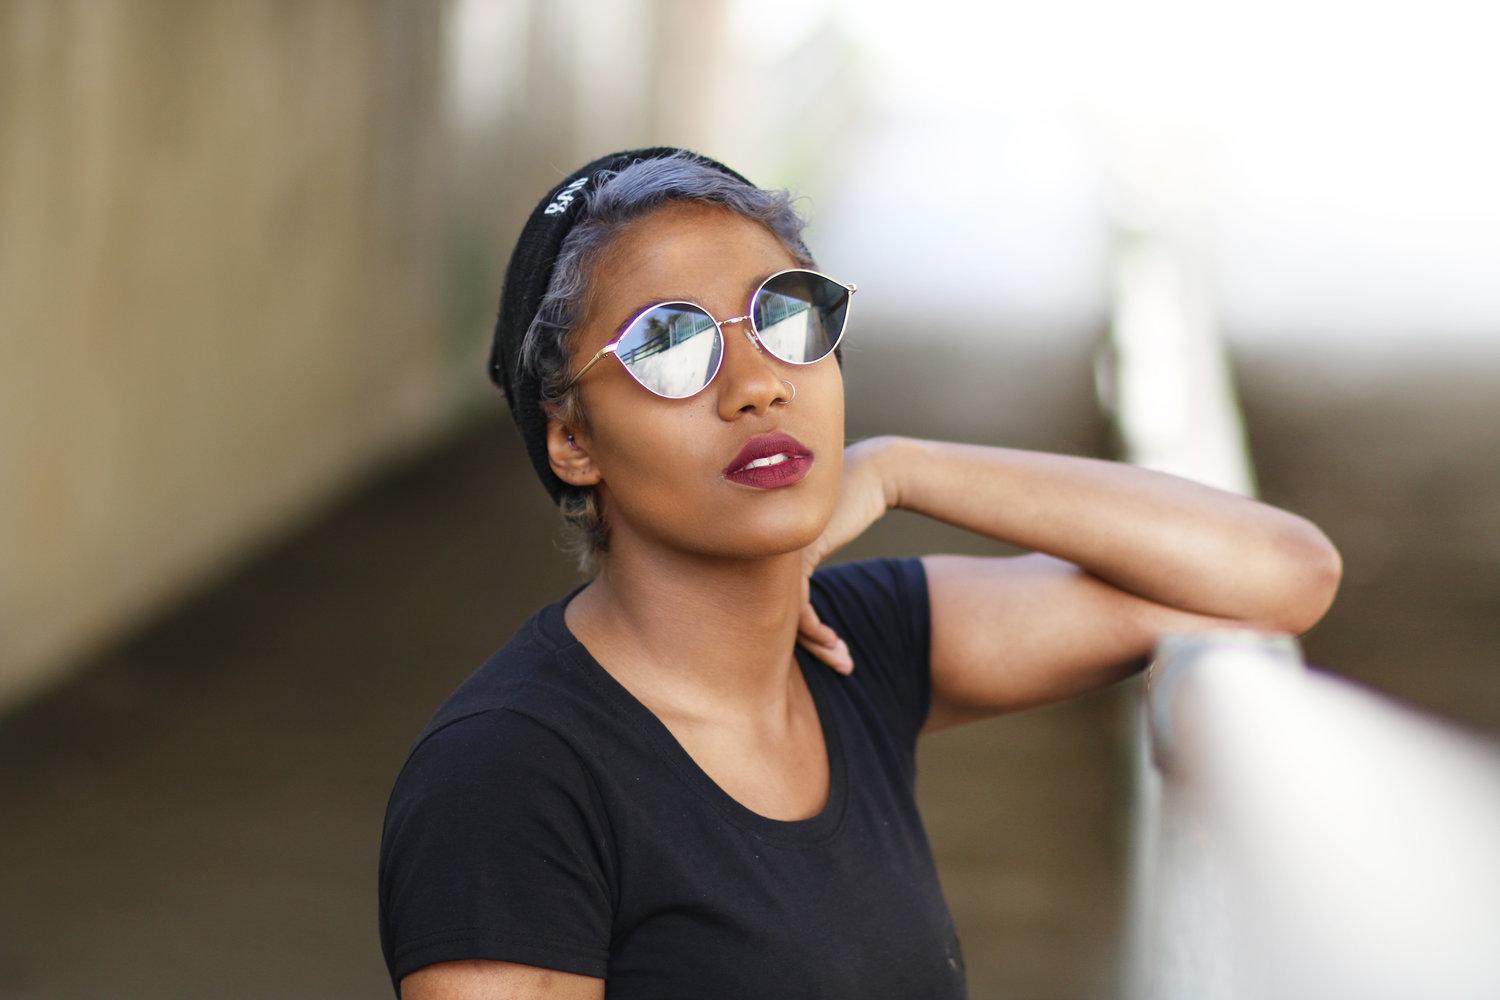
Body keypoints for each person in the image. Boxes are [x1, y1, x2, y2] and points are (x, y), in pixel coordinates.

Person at [377, 147, 1342, 999]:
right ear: (573, 438)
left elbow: (1278, 572)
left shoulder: (850, 648)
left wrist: (901, 468)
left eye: (784, 316)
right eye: (672, 346)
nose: (758, 383)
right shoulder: (509, 776)